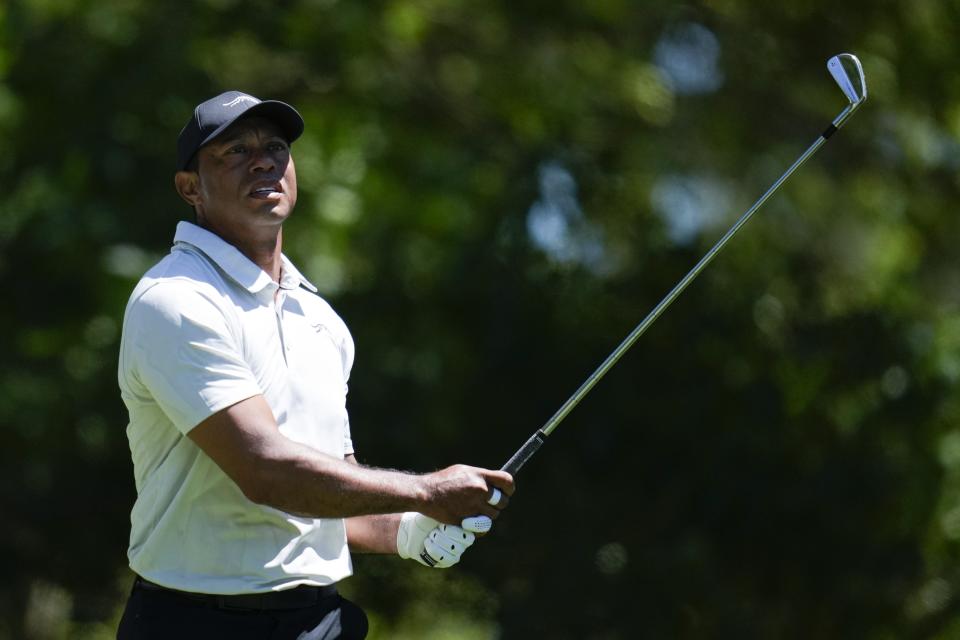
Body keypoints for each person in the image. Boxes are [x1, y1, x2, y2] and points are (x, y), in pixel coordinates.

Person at [115, 91, 515, 639]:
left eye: (276, 147)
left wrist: (411, 530)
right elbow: (267, 470)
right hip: (193, 621)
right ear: (190, 187)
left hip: (315, 622)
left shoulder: (319, 318)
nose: (263, 161)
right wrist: (426, 493)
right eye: (234, 151)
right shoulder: (177, 299)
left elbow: (328, 493)